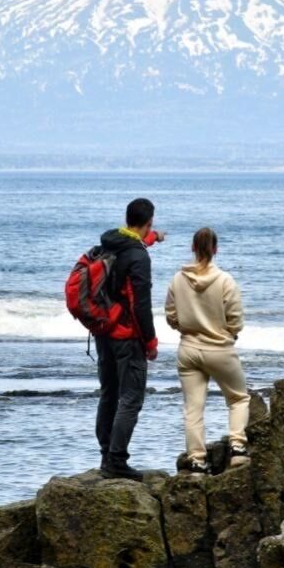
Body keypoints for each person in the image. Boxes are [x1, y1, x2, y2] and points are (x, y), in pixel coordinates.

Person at [165, 227, 250, 474]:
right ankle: (237, 448)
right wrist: (228, 333)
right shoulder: (225, 280)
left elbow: (171, 316)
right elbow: (235, 319)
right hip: (219, 348)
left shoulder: (177, 279)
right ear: (215, 249)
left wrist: (186, 327)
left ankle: (197, 460)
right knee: (238, 398)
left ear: (193, 248)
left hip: (188, 348)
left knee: (193, 407)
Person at [94, 197, 163, 481]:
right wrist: (150, 341)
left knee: (109, 393)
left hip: (103, 331)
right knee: (131, 398)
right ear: (148, 222)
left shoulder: (109, 244)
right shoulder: (138, 257)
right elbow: (139, 304)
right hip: (126, 335)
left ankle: (105, 454)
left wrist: (153, 238)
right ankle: (117, 460)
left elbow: (133, 245)